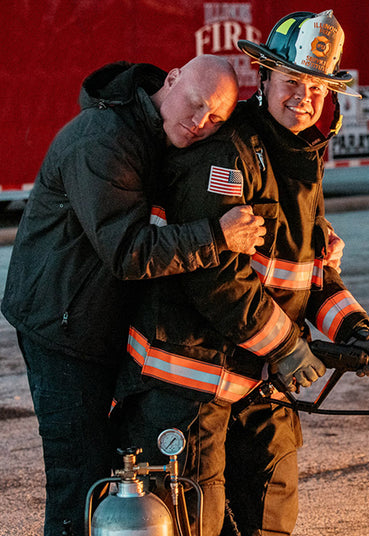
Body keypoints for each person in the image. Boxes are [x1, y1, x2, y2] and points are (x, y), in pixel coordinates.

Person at [115, 10, 369, 535]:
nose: (304, 98)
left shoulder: (301, 158)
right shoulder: (227, 154)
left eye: (317, 88)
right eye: (293, 81)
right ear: (265, 79)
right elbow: (213, 276)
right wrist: (287, 347)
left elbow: (308, 273)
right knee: (190, 523)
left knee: (269, 518)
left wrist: (358, 332)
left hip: (257, 383)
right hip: (187, 385)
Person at [2, 55, 266, 536]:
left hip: (103, 327)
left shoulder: (155, 133)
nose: (199, 122)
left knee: (110, 477)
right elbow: (128, 252)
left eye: (216, 119)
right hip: (62, 331)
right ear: (173, 79)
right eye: (196, 104)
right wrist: (217, 237)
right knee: (78, 480)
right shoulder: (103, 140)